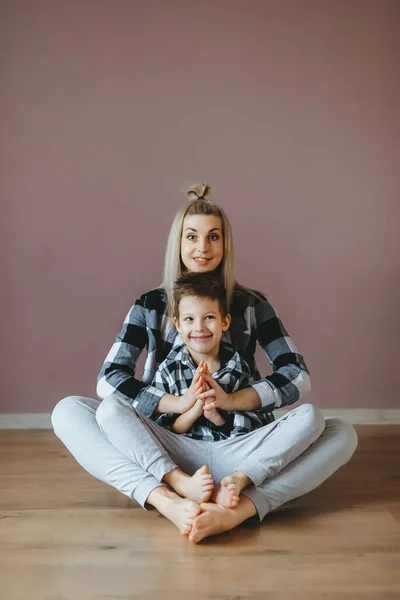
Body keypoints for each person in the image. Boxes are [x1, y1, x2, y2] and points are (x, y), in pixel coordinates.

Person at [51, 182, 358, 544]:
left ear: (225, 245)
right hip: (167, 445)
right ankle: (167, 498)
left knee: (340, 432)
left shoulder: (250, 305)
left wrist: (231, 400)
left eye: (213, 237)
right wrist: (178, 404)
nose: (202, 248)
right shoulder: (150, 304)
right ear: (177, 244)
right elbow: (109, 382)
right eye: (192, 236)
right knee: (70, 411)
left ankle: (239, 508)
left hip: (242, 447)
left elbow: (297, 376)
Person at [151, 271, 272, 439]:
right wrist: (194, 411)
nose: (199, 327)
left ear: (225, 322)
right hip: (183, 451)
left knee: (309, 417)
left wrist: (215, 416)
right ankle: (179, 468)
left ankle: (238, 468)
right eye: (189, 319)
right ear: (177, 325)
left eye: (209, 317)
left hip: (226, 450)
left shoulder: (238, 368)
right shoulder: (168, 370)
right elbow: (160, 430)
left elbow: (250, 429)